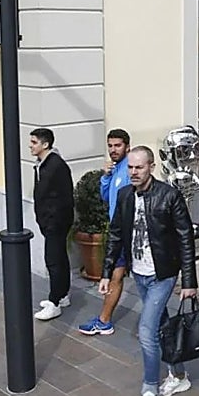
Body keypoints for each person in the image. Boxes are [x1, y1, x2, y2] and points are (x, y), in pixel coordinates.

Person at [100, 146, 197, 396]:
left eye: (139, 167)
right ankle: (178, 376)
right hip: (139, 274)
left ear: (151, 167)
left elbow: (185, 240)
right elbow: (116, 235)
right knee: (163, 326)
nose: (133, 172)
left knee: (146, 331)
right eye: (130, 167)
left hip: (162, 274)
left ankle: (149, 394)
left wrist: (189, 281)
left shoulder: (169, 195)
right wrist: (107, 273)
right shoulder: (125, 195)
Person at [79, 128, 132, 336]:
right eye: (110, 146)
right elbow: (105, 197)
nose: (113, 150)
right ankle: (104, 320)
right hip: (117, 231)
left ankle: (105, 320)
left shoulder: (130, 168)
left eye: (117, 145)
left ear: (127, 146)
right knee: (115, 276)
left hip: (128, 234)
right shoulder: (116, 168)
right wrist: (106, 176)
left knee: (127, 277)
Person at [30, 127, 75, 321]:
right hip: (50, 222)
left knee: (53, 261)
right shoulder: (43, 163)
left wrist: (51, 221)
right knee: (59, 258)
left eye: (34, 142)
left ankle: (54, 302)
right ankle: (63, 294)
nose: (30, 146)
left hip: (55, 223)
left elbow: (64, 197)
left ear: (45, 144)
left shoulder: (56, 166)